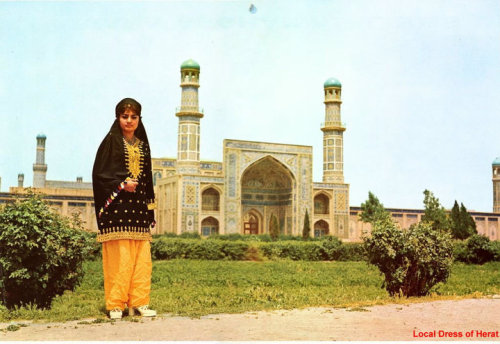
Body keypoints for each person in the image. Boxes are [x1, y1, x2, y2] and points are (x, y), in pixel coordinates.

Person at [92, 98, 157, 319]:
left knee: (142, 259)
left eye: (133, 117)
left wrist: (150, 209)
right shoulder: (110, 142)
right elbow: (100, 175)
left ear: (139, 119)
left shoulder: (143, 145)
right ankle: (116, 304)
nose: (129, 121)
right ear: (118, 118)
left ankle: (139, 302)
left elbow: (147, 178)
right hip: (117, 208)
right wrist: (122, 183)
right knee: (120, 260)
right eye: (124, 116)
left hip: (138, 209)